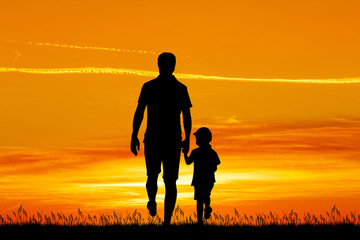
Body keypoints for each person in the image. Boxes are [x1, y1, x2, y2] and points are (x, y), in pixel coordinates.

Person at [131, 52, 192, 225]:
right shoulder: (148, 87)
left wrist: (187, 138)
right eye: (165, 63)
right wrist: (134, 135)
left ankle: (167, 221)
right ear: (159, 65)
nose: (167, 66)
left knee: (170, 180)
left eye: (170, 63)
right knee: (152, 175)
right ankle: (152, 200)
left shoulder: (181, 88)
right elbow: (139, 112)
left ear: (174, 66)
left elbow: (186, 116)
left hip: (172, 140)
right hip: (153, 138)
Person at [184, 127, 220, 225]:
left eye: (198, 138)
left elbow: (188, 162)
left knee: (200, 199)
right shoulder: (212, 153)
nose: (197, 140)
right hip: (207, 179)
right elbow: (215, 167)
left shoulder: (196, 152)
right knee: (204, 197)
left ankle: (201, 217)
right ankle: (205, 211)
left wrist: (184, 154)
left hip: (200, 180)